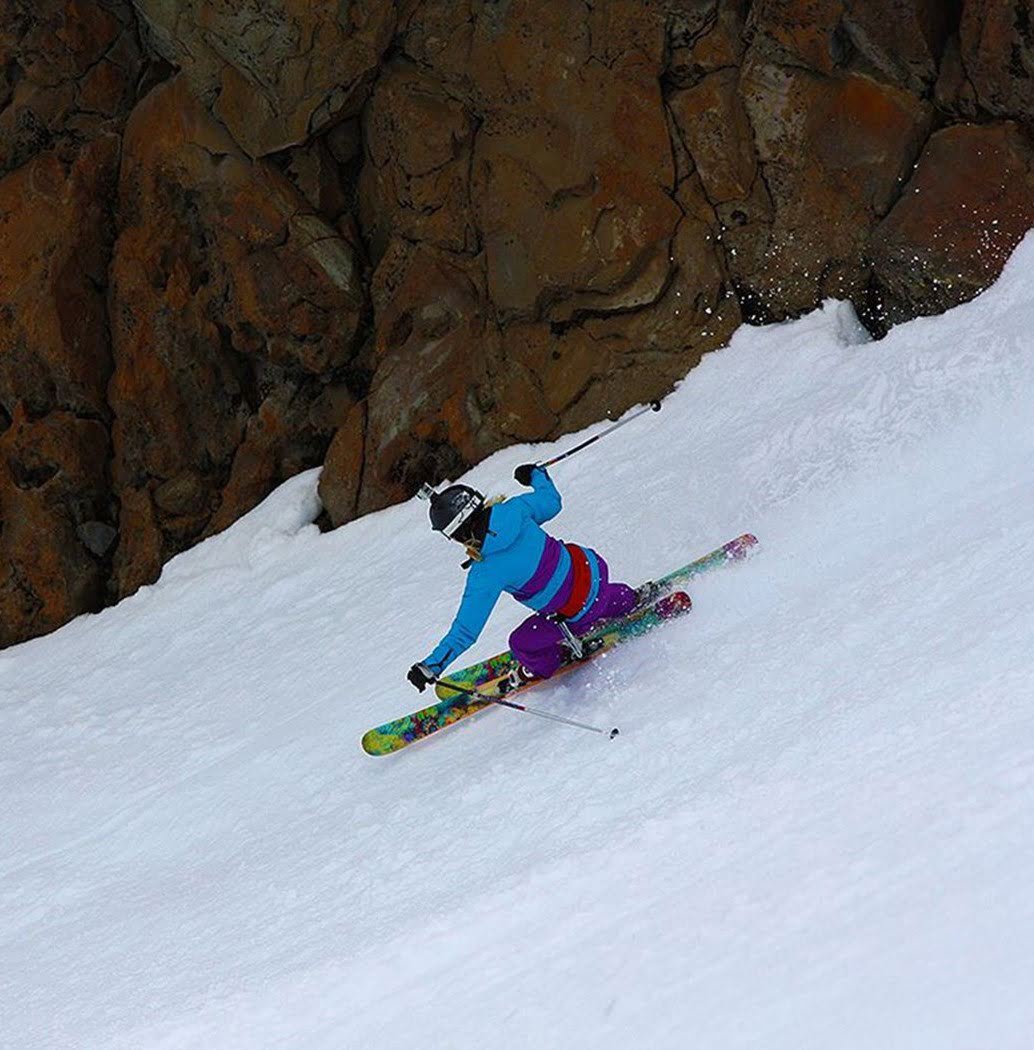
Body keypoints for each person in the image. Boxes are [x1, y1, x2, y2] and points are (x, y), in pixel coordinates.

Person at [407, 464, 639, 693]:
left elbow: (466, 632)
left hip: (577, 612)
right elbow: (551, 502)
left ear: (456, 535)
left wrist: (431, 666)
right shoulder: (515, 509)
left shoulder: (485, 572)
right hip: (595, 571)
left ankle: (553, 659)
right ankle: (629, 600)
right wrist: (535, 476)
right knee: (585, 589)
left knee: (521, 644)